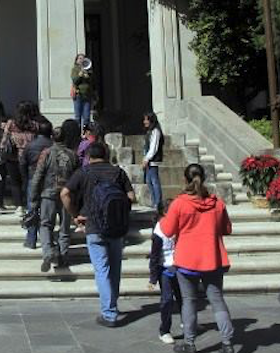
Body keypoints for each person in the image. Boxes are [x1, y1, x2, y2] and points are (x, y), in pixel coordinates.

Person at [160, 163, 235, 353]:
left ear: (185, 180)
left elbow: (167, 231)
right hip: (213, 258)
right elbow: (227, 229)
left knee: (189, 301)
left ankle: (190, 343)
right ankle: (227, 343)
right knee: (217, 300)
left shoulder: (179, 203)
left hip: (187, 260)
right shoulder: (217, 203)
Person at [61, 141, 135, 327]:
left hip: (93, 226)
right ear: (106, 154)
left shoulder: (83, 172)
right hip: (116, 227)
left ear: (88, 156)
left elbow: (64, 193)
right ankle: (113, 305)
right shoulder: (118, 172)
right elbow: (131, 197)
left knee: (102, 269)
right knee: (115, 268)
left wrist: (75, 215)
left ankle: (109, 313)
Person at [31, 119, 80, 272]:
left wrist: (33, 198)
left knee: (46, 225)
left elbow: (38, 176)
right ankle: (63, 256)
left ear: (53, 138)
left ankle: (48, 252)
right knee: (65, 227)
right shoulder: (73, 155)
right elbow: (78, 177)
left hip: (48, 193)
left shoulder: (46, 153)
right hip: (67, 194)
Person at [148, 202, 180, 345]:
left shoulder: (179, 225)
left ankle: (188, 322)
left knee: (184, 298)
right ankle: (165, 330)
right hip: (165, 269)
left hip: (179, 266)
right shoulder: (158, 232)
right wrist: (153, 278)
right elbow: (154, 256)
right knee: (167, 299)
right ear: (165, 214)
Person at [0, 101, 39, 214]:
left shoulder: (11, 123)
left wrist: (3, 148)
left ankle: (19, 206)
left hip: (13, 156)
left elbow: (4, 140)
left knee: (14, 182)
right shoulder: (34, 125)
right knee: (27, 180)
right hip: (29, 156)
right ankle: (28, 202)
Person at [21, 119, 53, 249]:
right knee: (47, 210)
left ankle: (31, 239)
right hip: (49, 180)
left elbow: (23, 163)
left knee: (32, 209)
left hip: (32, 178)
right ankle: (48, 238)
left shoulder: (30, 145)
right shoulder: (53, 145)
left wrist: (25, 178)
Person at [142, 112, 164, 214]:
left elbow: (154, 147)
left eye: (146, 119)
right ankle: (155, 201)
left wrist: (147, 158)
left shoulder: (156, 131)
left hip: (153, 160)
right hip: (149, 160)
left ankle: (158, 203)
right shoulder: (149, 131)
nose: (144, 122)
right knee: (149, 181)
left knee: (154, 181)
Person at [71, 53, 94, 131]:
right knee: (78, 117)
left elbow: (92, 82)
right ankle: (77, 134)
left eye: (83, 58)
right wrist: (79, 75)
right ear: (77, 60)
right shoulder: (75, 69)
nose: (81, 60)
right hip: (78, 95)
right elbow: (74, 80)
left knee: (86, 117)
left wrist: (88, 77)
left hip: (87, 96)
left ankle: (85, 134)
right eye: (80, 58)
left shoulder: (89, 70)